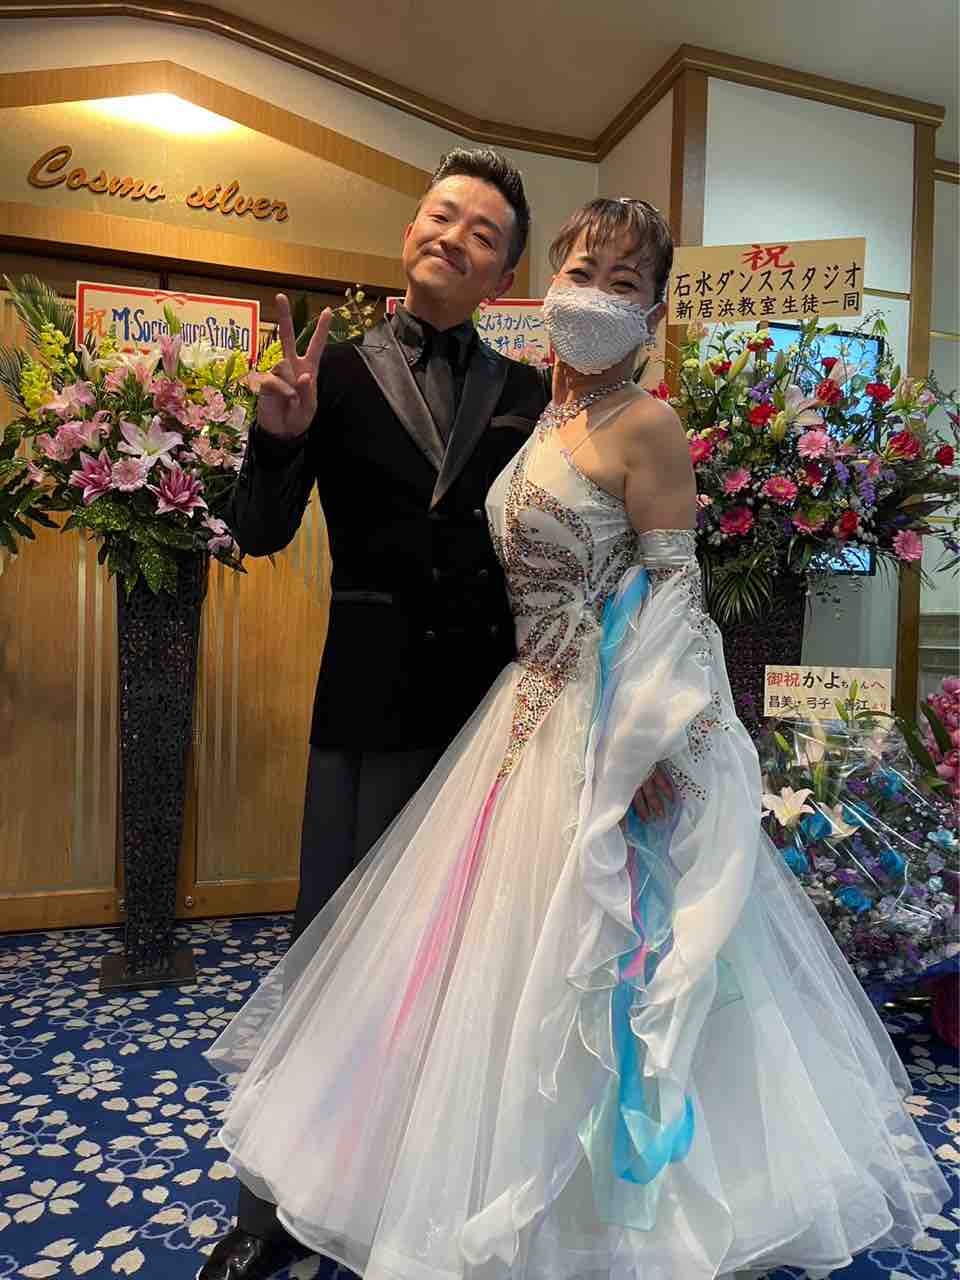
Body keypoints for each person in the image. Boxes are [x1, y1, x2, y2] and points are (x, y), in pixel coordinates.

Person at [206, 198, 948, 1280]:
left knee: (579, 963)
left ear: (651, 308)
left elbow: (674, 600)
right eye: (582, 271)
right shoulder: (527, 406)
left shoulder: (627, 419)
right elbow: (267, 526)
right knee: (401, 961)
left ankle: (590, 1216)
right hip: (461, 712)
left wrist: (649, 746)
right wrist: (277, 437)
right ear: (544, 279)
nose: (593, 295)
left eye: (622, 280)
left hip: (586, 725)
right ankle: (309, 1200)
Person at [199, 148, 551, 1280]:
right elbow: (259, 531)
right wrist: (278, 437)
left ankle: (426, 1181)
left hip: (490, 715)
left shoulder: (530, 393)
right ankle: (273, 1204)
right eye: (440, 215)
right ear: (410, 233)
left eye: (482, 232)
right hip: (366, 702)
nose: (452, 236)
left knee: (466, 959)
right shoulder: (333, 371)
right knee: (330, 951)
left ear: (504, 276)